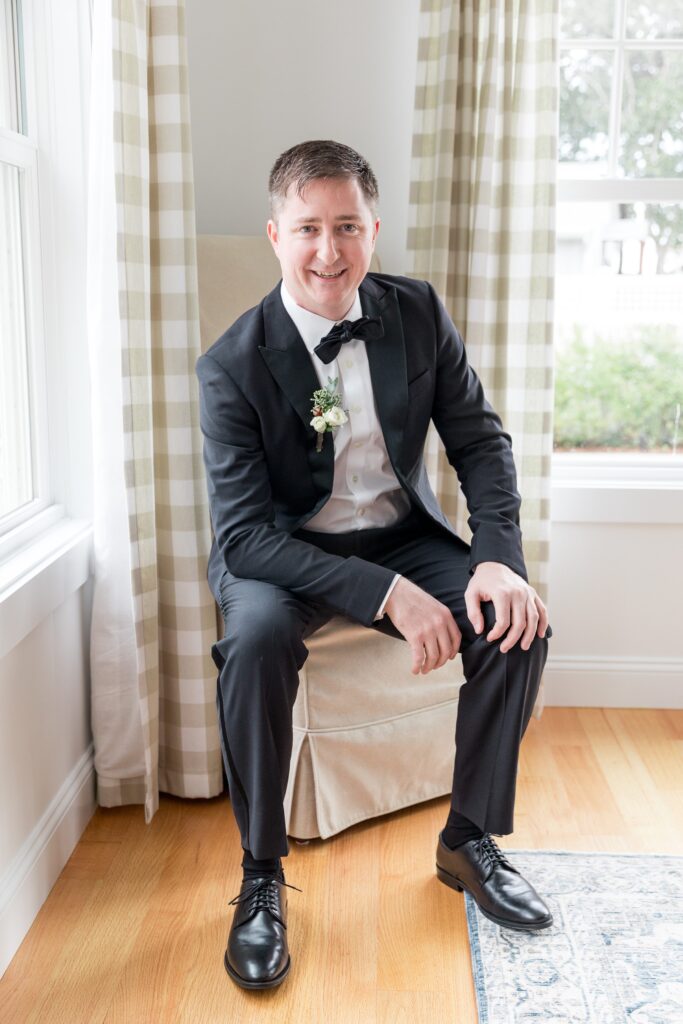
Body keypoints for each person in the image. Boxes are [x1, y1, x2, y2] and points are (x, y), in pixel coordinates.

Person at [196, 139, 553, 991]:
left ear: (374, 230)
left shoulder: (417, 312)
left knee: (516, 625)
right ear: (275, 235)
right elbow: (243, 536)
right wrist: (385, 596)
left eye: (347, 226)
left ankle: (467, 839)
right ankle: (259, 874)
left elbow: (481, 444)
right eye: (309, 228)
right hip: (280, 554)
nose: (330, 251)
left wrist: (496, 560)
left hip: (400, 531)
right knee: (252, 647)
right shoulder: (230, 365)